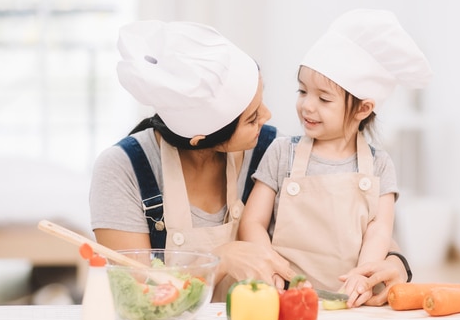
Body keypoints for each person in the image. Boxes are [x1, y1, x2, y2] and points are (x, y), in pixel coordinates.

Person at [89, 19, 411, 303]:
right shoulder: (123, 170)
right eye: (253, 117)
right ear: (203, 138)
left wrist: (395, 262)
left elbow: (347, 225)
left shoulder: (270, 146)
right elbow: (137, 292)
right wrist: (219, 260)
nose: (269, 117)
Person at [239, 9, 432, 307]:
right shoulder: (281, 153)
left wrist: (362, 275)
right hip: (285, 296)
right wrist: (267, 266)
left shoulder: (379, 165)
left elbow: (379, 230)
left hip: (349, 302)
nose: (307, 105)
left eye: (324, 98)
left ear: (363, 109)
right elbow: (252, 221)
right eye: (302, 91)